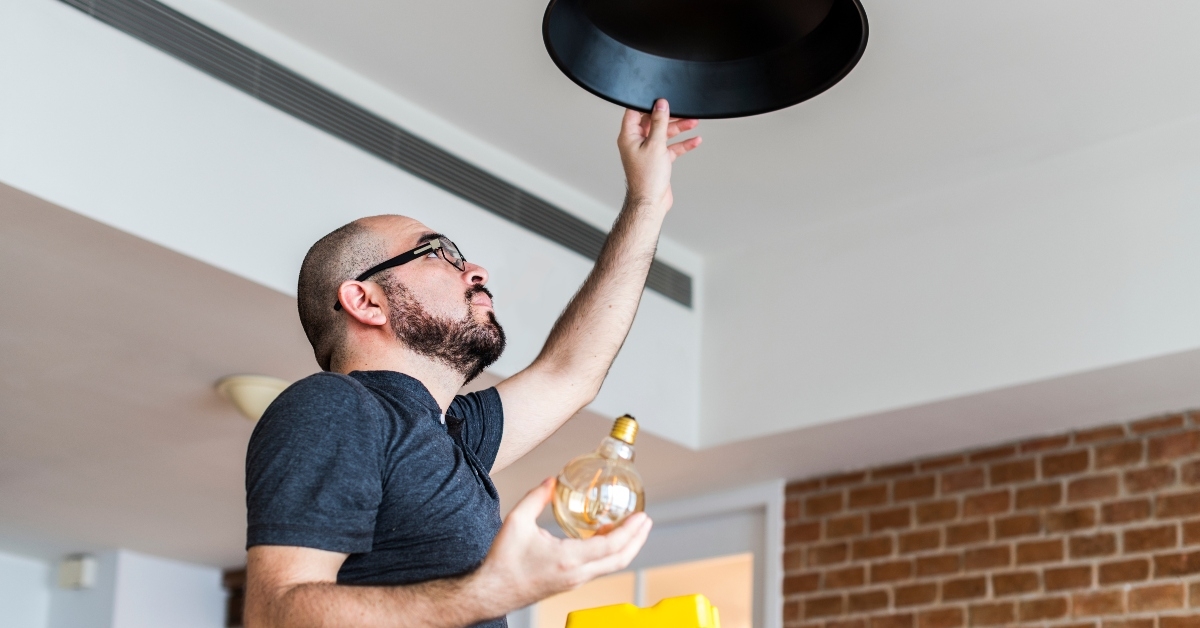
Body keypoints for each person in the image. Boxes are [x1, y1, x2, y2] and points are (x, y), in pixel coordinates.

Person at [243, 99, 702, 627]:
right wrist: (491, 591)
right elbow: (273, 615)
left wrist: (646, 203)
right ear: (365, 301)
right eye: (437, 251)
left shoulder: (449, 434)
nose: (477, 270)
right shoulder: (335, 408)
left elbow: (570, 372)